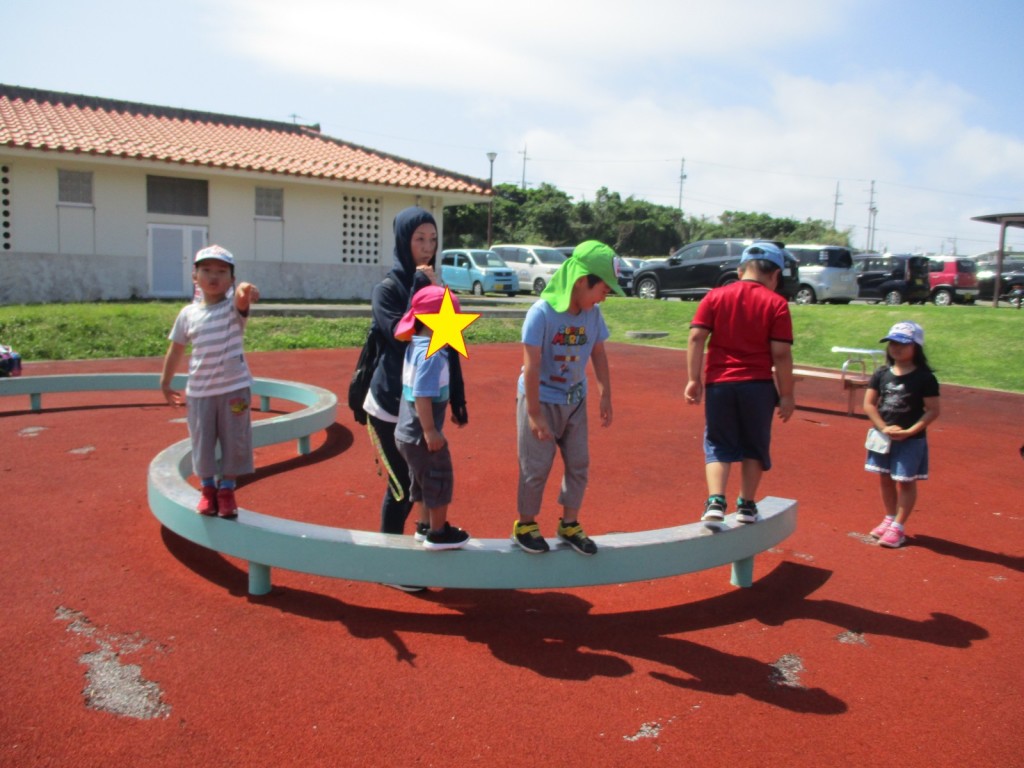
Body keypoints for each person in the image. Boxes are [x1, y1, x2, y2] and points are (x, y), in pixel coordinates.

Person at [363, 209, 467, 582]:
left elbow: (447, 346)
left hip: (421, 408)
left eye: (432, 239)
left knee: (420, 483)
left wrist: (457, 400)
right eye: (419, 239)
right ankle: (390, 564)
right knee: (401, 487)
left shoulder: (435, 287)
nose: (426, 248)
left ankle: (422, 536)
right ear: (404, 241)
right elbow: (399, 334)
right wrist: (420, 292)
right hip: (388, 407)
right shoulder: (388, 289)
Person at [513, 240, 624, 555]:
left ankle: (569, 523)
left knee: (579, 463)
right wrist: (534, 413)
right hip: (540, 400)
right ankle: (525, 524)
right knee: (535, 466)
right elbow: (532, 367)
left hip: (575, 401)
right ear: (580, 281)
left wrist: (605, 394)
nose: (607, 294)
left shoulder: (592, 314)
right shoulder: (542, 314)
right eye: (604, 287)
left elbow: (599, 353)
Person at [685, 243, 795, 526]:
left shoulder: (715, 297)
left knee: (718, 443)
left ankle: (715, 501)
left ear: (740, 270)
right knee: (753, 445)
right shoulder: (777, 303)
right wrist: (786, 394)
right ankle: (746, 504)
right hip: (757, 385)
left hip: (720, 384)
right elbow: (781, 353)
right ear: (775, 275)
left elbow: (697, 337)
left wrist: (693, 379)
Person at [160, 245, 260, 518]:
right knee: (202, 441)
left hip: (234, 390)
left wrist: (245, 291)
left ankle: (226, 489)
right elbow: (177, 349)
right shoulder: (188, 314)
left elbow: (242, 298)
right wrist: (165, 382)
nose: (213, 277)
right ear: (195, 276)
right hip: (200, 392)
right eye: (206, 271)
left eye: (221, 271)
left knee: (235, 440)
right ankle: (207, 489)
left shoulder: (232, 308)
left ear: (231, 279)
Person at [393, 285, 470, 550]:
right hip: (419, 434)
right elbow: (423, 395)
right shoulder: (432, 355)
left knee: (421, 479)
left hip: (405, 433)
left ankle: (424, 525)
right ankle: (438, 532)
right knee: (439, 477)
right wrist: (430, 431)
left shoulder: (416, 345)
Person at [864, 321, 940, 548]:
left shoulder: (924, 378)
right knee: (885, 478)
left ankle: (898, 525)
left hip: (911, 440)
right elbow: (869, 404)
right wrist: (883, 427)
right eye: (892, 343)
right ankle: (889, 517)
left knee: (905, 481)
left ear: (916, 347)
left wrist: (909, 432)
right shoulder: (881, 373)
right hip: (883, 437)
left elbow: (933, 410)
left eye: (903, 344)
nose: (896, 348)